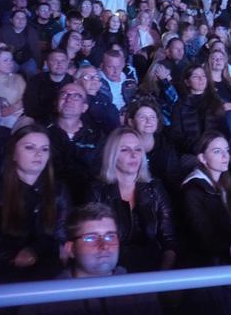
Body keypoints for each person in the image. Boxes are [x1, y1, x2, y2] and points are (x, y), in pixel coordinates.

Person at [19, 203, 162, 315]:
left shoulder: (142, 293)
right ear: (70, 249)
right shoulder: (42, 301)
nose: (104, 245)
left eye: (110, 236)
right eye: (91, 238)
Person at [0, 124, 70, 283]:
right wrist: (17, 257)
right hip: (5, 276)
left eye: (44, 149)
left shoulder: (59, 190)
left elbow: (62, 239)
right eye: (29, 148)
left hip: (49, 275)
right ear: (13, 153)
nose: (38, 154)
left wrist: (35, 251)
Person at [86, 127, 176, 272]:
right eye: (124, 150)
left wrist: (164, 272)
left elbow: (169, 239)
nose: (133, 155)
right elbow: (93, 242)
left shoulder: (155, 187)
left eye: (138, 149)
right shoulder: (97, 190)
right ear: (112, 155)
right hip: (111, 268)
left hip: (153, 267)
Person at [180, 131, 231, 266]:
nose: (225, 156)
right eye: (217, 151)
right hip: (210, 263)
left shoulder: (226, 182)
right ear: (202, 158)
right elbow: (204, 239)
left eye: (226, 150)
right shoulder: (192, 189)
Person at [47, 83, 103, 204]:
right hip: (49, 200)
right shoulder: (41, 133)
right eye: (64, 94)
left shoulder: (97, 136)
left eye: (76, 96)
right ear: (56, 102)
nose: (68, 99)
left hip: (87, 202)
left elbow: (100, 175)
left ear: (84, 107)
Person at [125, 98, 184, 197]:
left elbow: (173, 181)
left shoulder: (167, 147)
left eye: (152, 117)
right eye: (142, 117)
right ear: (131, 122)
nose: (148, 121)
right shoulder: (123, 147)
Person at [23, 48, 74, 124]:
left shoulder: (74, 82)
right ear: (47, 63)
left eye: (63, 60)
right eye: (54, 60)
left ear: (68, 63)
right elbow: (31, 108)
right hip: (41, 121)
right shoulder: (36, 80)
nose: (59, 63)